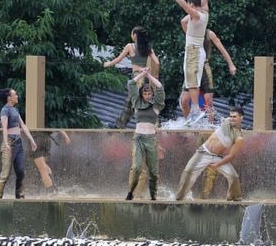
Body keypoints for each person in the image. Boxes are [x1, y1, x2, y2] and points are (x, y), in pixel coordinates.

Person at [163, 0, 209, 124]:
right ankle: (193, 112)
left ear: (192, 5)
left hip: (194, 51)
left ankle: (196, 110)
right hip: (194, 50)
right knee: (190, 82)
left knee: (193, 82)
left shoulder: (196, 15)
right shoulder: (205, 11)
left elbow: (183, 5)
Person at [174, 106, 245, 201]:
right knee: (188, 172)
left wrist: (218, 164)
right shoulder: (227, 122)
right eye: (231, 116)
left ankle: (235, 199)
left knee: (234, 176)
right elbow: (213, 116)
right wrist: (209, 112)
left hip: (218, 157)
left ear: (241, 118)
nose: (232, 118)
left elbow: (231, 155)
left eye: (234, 117)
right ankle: (178, 199)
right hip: (203, 152)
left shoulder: (239, 138)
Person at [104, 26, 161, 128]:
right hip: (146, 77)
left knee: (134, 104)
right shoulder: (148, 48)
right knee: (133, 103)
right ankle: (119, 126)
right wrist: (155, 75)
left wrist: (108, 64)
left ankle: (152, 125)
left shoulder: (130, 46)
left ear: (135, 35)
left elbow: (118, 60)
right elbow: (157, 62)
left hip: (137, 78)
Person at [179, 22, 237, 123]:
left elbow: (221, 48)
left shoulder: (209, 33)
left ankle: (210, 126)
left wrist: (231, 64)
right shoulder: (190, 31)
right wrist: (192, 10)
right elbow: (183, 22)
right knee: (184, 100)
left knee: (208, 101)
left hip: (204, 66)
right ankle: (188, 123)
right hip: (191, 67)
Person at [125, 69, 166, 200]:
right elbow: (131, 84)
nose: (147, 95)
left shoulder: (156, 106)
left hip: (151, 140)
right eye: (145, 93)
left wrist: (149, 75)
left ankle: (153, 196)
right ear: (142, 94)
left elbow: (160, 87)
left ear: (152, 94)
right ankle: (130, 191)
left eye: (149, 93)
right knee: (136, 167)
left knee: (154, 172)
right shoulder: (137, 103)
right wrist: (142, 74)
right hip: (138, 138)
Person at [0, 87, 38, 199]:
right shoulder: (5, 110)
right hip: (9, 142)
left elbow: (22, 125)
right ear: (9, 98)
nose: (17, 96)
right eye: (15, 94)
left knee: (21, 171)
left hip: (18, 143)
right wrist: (6, 142)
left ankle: (20, 196)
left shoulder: (15, 110)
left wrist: (31, 140)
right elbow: (4, 128)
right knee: (5, 174)